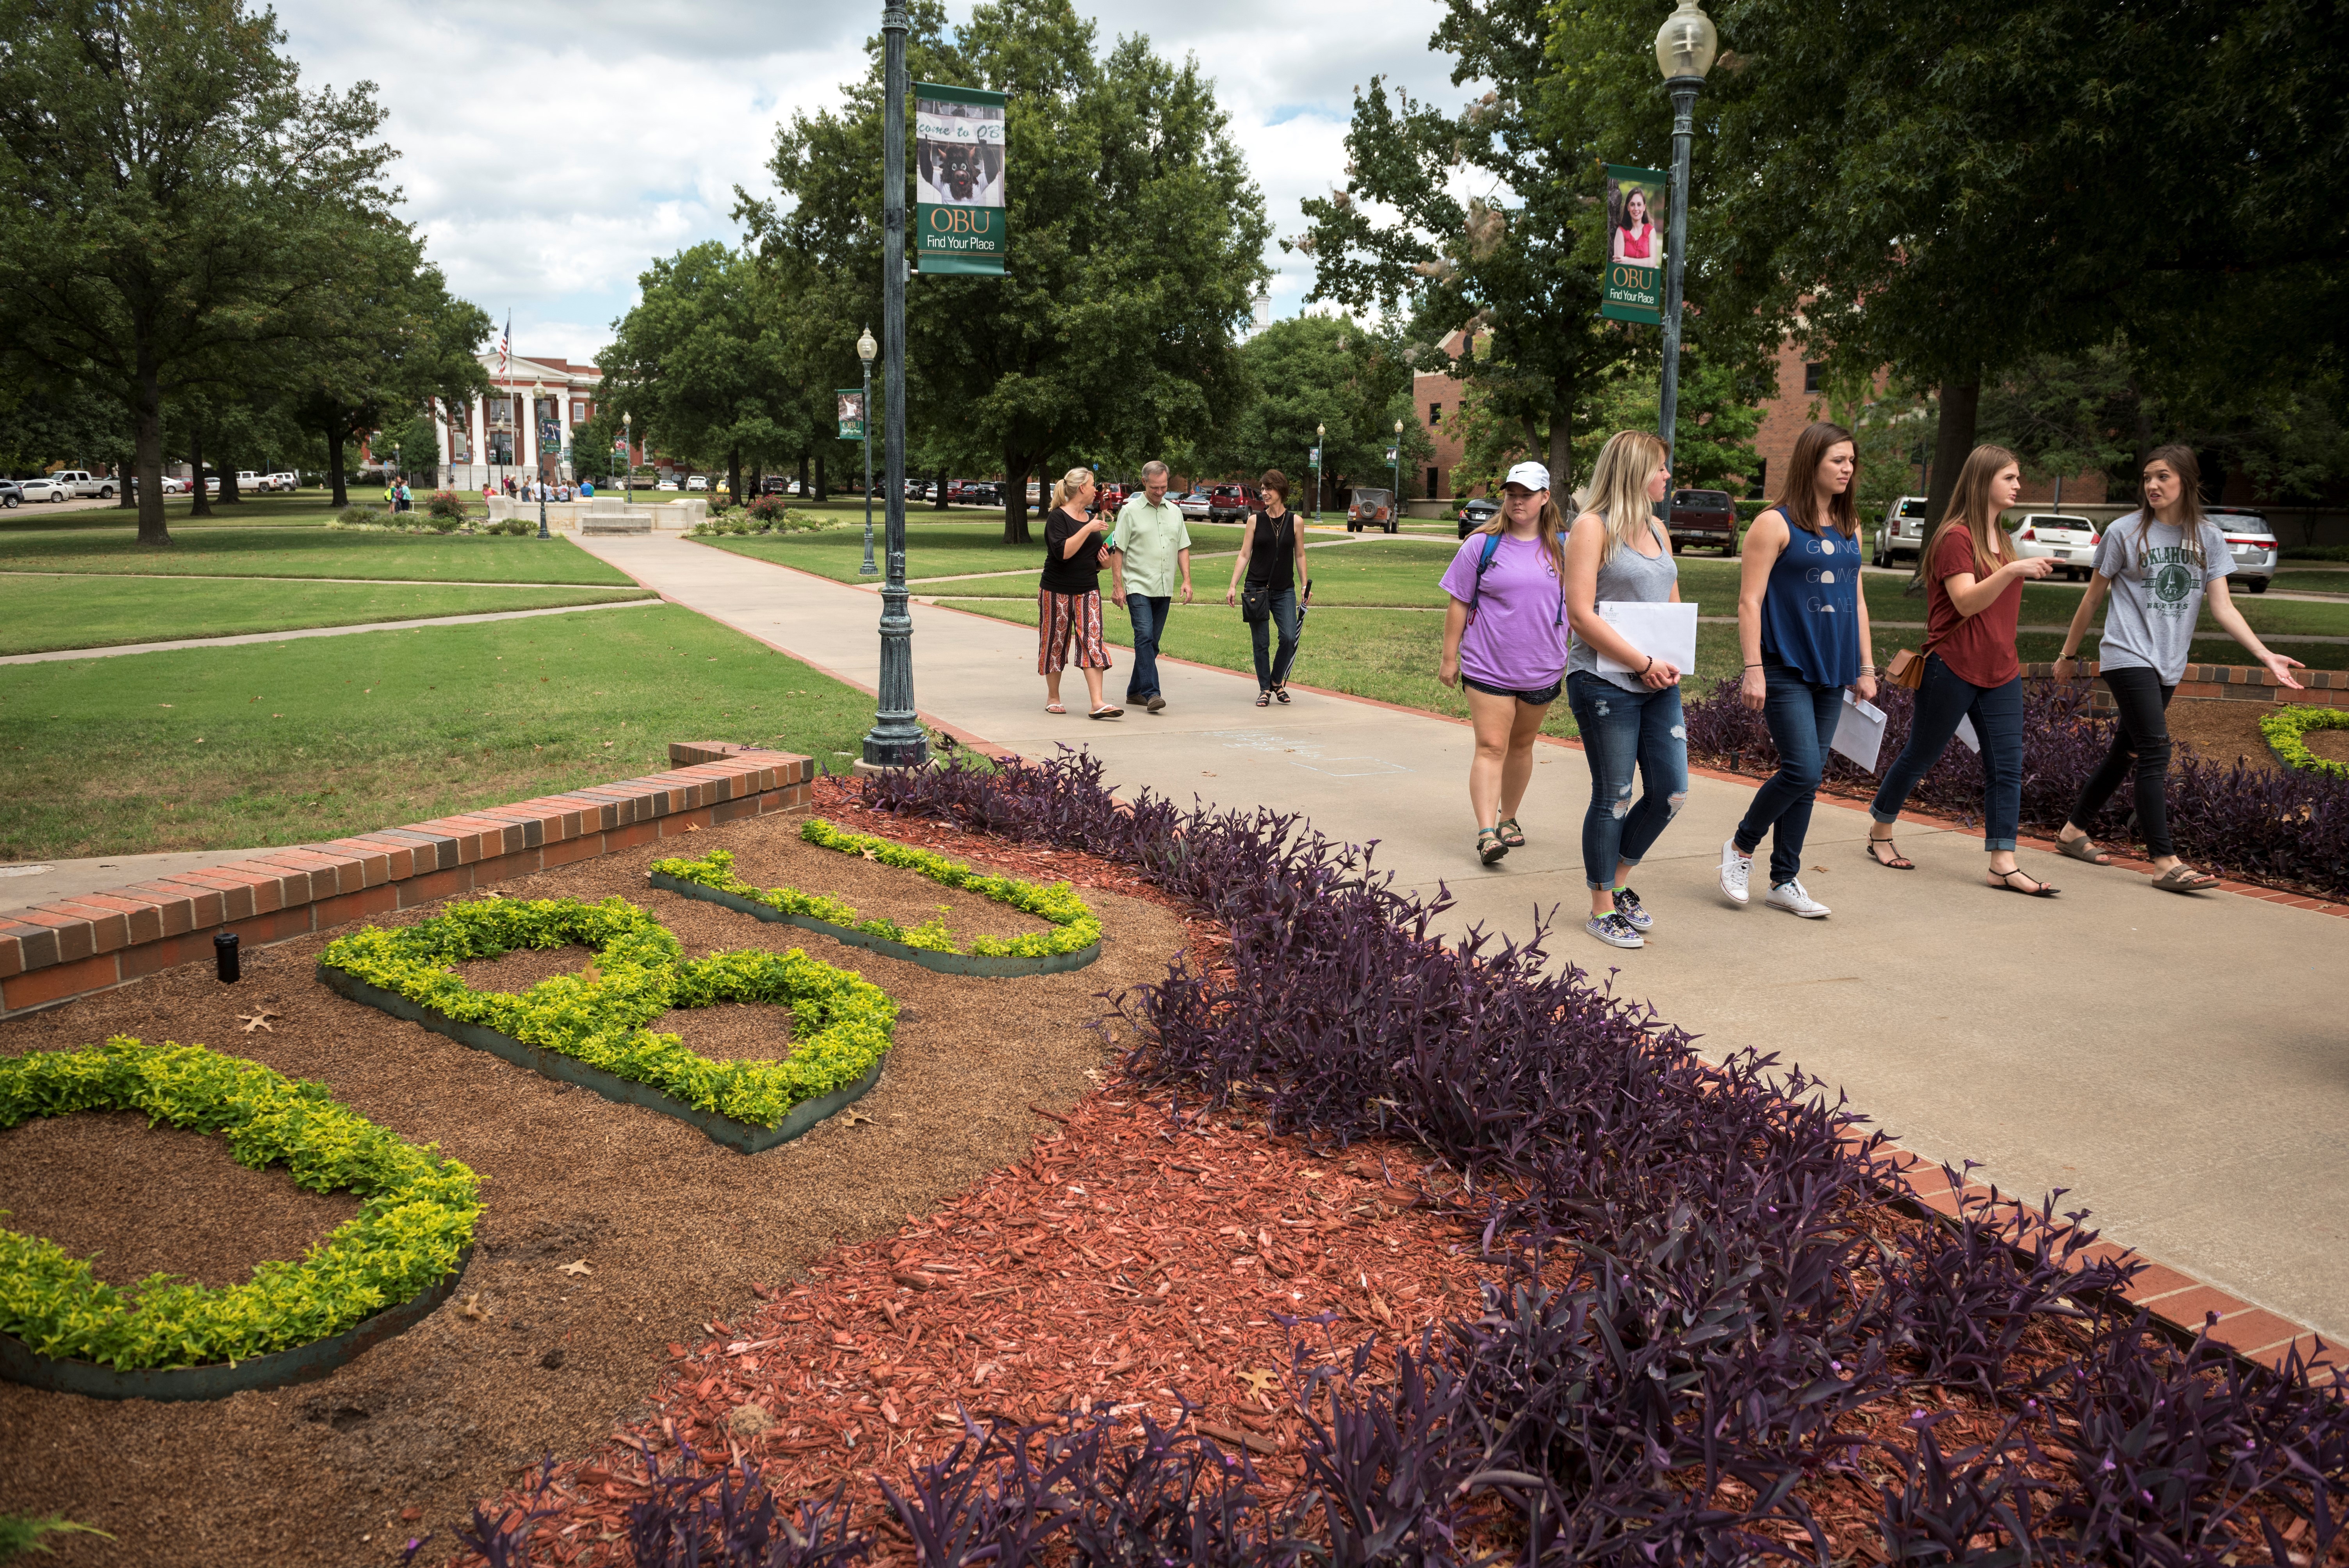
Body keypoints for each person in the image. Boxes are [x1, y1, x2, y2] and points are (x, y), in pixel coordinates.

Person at [2050, 444, 2304, 891]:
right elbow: (2092, 597)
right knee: (2154, 751)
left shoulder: (2207, 537)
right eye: (2148, 476)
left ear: (2185, 480)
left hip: (2169, 661)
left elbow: (2223, 607)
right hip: (2127, 654)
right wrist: (2068, 656)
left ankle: (2072, 831)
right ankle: (2165, 861)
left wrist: (2265, 654)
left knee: (2125, 751)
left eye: (2163, 476)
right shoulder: (2123, 532)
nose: (2152, 484)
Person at [1862, 445, 2059, 894]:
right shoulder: (1956, 537)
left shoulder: (2002, 540)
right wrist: (2014, 571)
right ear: (1983, 479)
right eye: (2009, 477)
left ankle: (2002, 862)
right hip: (1951, 666)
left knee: (2006, 766)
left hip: (2001, 670)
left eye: (2017, 477)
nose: (2017, 485)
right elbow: (1966, 601)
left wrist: (2012, 566)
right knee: (1921, 755)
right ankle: (1879, 830)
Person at [1722, 421, 1878, 917]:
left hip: (1833, 668)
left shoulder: (1850, 524)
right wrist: (1753, 668)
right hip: (1784, 661)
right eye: (1837, 460)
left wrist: (1866, 665)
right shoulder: (1774, 522)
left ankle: (1784, 879)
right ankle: (1741, 846)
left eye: (1851, 461)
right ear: (1811, 462)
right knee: (1803, 768)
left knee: (1809, 779)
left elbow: (1857, 599)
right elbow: (1749, 601)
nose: (1847, 469)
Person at [1562, 431, 1687, 949]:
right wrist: (1641, 662)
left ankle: (1621, 880)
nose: (1667, 476)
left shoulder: (1658, 528)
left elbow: (1671, 603)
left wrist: (1674, 659)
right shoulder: (1592, 527)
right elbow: (1580, 614)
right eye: (1660, 467)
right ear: (1635, 470)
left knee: (1671, 791)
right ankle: (1601, 904)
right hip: (1604, 682)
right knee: (1615, 796)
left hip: (1659, 681)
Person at [1438, 461, 1570, 866]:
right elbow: (1459, 601)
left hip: (1543, 665)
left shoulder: (1565, 547)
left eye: (1526, 494)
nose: (1517, 501)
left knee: (1521, 745)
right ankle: (1485, 832)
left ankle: (1509, 817)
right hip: (1487, 665)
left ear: (1545, 497)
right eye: (1512, 493)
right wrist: (1449, 657)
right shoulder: (1481, 545)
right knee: (1491, 745)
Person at [1105, 461, 1192, 714]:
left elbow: (1183, 547)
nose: (1160, 491)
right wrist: (1117, 587)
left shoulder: (1174, 512)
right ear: (1144, 483)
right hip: (1138, 585)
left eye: (1164, 487)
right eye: (1155, 487)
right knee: (1144, 636)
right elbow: (1118, 550)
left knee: (1151, 643)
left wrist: (1186, 581)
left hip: (1164, 587)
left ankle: (1134, 691)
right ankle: (1152, 693)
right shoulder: (1130, 512)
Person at [1038, 467, 1120, 720]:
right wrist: (1088, 529)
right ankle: (1053, 698)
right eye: (1093, 484)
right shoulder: (1057, 518)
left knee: (1093, 642)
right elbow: (1063, 552)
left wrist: (1105, 562)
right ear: (1082, 488)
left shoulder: (1091, 517)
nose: (1097, 490)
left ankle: (1097, 703)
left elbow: (1094, 561)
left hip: (1088, 589)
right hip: (1057, 590)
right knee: (1055, 642)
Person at [1225, 469, 1310, 707]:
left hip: (1284, 590)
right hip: (1256, 590)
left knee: (1289, 637)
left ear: (1280, 491)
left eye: (1269, 488)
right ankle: (1265, 688)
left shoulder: (1296, 521)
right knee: (1261, 643)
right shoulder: (1255, 520)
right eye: (1262, 488)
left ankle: (1276, 682)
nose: (1264, 492)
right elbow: (1244, 555)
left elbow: (1300, 555)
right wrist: (1233, 585)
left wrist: (1305, 585)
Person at [1614, 188, 1656, 264]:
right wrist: (1644, 263)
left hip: (1647, 276)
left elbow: (1652, 263)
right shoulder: (1621, 231)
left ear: (1644, 207)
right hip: (1625, 275)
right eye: (1632, 205)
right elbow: (1619, 263)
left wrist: (1629, 261)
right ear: (1628, 208)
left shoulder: (1651, 231)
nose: (1636, 209)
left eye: (1639, 205)